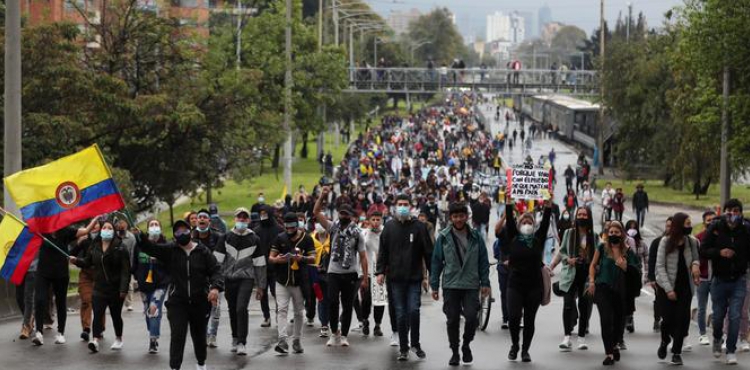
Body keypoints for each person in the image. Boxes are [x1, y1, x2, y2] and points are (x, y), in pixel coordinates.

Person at [137, 219, 223, 370]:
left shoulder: (202, 251)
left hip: (200, 302)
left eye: (184, 230)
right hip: (177, 303)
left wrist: (215, 288)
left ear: (190, 231)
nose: (181, 234)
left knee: (199, 337)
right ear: (174, 235)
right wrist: (141, 237)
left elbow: (216, 270)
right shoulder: (171, 250)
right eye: (177, 231)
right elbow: (151, 248)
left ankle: (201, 363)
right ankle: (175, 367)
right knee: (178, 335)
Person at [431, 202, 490, 366]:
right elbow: (436, 262)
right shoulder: (443, 237)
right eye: (455, 216)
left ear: (466, 216)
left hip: (471, 284)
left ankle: (466, 344)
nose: (458, 219)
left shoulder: (476, 236)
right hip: (451, 284)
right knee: (452, 320)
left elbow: (483, 261)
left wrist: (485, 282)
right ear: (450, 217)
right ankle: (455, 351)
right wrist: (434, 285)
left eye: (461, 216)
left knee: (472, 318)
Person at [376, 194, 433, 361]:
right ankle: (403, 348)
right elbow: (383, 251)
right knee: (400, 314)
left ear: (410, 206)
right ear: (395, 206)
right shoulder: (389, 227)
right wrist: (380, 272)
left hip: (414, 278)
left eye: (405, 204)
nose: (402, 207)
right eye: (400, 204)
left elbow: (428, 252)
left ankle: (415, 343)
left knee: (414, 310)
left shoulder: (419, 227)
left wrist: (433, 277)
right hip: (395, 279)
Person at [499, 193, 552, 363]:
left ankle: (525, 350)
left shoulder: (538, 238)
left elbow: (545, 222)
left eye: (530, 222)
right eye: (524, 222)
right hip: (515, 284)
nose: (527, 224)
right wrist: (509, 202)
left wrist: (548, 205)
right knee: (514, 318)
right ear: (519, 225)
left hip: (534, 286)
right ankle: (515, 344)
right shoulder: (514, 236)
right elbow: (509, 217)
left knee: (530, 320)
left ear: (534, 225)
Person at [313, 188, 369, 347]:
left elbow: (363, 257)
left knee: (347, 304)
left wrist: (365, 278)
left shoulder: (357, 233)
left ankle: (344, 335)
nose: (343, 216)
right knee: (332, 302)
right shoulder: (333, 227)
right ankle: (334, 333)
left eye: (346, 214)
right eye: (341, 213)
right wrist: (323, 196)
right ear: (338, 213)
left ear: (351, 216)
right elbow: (316, 211)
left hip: (350, 273)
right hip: (333, 272)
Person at [700, 199, 750, 365]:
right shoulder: (715, 228)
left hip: (739, 280)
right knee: (718, 316)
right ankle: (717, 338)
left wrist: (739, 258)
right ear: (724, 212)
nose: (732, 214)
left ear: (740, 213)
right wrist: (719, 252)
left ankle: (730, 350)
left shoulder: (746, 229)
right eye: (729, 210)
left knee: (735, 315)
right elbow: (704, 250)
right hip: (719, 280)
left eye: (736, 211)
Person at [69, 219, 131, 353]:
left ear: (114, 231)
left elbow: (125, 271)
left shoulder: (120, 247)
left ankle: (119, 338)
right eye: (104, 228)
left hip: (115, 289)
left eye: (109, 228)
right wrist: (76, 261)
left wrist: (123, 289)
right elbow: (87, 262)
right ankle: (95, 340)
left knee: (116, 315)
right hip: (99, 288)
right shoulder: (95, 245)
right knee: (97, 314)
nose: (106, 230)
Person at [214, 207, 266, 355]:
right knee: (232, 309)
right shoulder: (225, 237)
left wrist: (261, 286)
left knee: (241, 308)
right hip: (229, 278)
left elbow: (260, 263)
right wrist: (214, 283)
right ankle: (235, 338)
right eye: (239, 218)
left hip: (246, 278)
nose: (242, 220)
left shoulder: (254, 239)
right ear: (235, 219)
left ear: (248, 220)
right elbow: (216, 261)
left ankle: (242, 342)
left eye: (244, 218)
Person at [588, 221, 640, 365]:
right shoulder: (602, 247)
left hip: (621, 291)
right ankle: (609, 353)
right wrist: (592, 281)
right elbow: (593, 265)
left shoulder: (628, 251)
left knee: (618, 321)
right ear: (607, 234)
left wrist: (626, 267)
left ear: (622, 234)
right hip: (603, 288)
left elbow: (636, 271)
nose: (613, 235)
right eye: (611, 232)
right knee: (606, 320)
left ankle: (615, 344)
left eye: (616, 232)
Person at [32, 225, 89, 346]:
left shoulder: (66, 231)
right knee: (40, 300)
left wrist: (95, 220)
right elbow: (28, 225)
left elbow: (85, 231)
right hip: (43, 272)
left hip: (61, 273)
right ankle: (38, 333)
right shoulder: (42, 229)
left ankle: (60, 333)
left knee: (60, 302)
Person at [655, 212, 701, 365]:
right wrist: (668, 289)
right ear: (679, 225)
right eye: (687, 224)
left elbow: (696, 258)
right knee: (667, 320)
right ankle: (665, 339)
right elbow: (660, 267)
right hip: (666, 287)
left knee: (682, 321)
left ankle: (676, 352)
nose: (690, 227)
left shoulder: (692, 242)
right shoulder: (665, 242)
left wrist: (695, 268)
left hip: (685, 288)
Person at [269, 212, 316, 354]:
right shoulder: (280, 238)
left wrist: (301, 258)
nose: (289, 229)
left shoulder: (306, 239)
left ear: (297, 225)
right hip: (282, 280)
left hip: (300, 281)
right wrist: (278, 259)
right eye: (286, 226)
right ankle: (282, 340)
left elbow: (313, 258)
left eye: (292, 226)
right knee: (281, 310)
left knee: (298, 312)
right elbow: (271, 257)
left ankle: (297, 340)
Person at [550, 207, 595, 352]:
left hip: (586, 274)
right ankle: (567, 337)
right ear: (576, 217)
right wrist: (566, 260)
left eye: (584, 214)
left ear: (588, 217)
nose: (582, 216)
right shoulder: (569, 233)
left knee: (584, 306)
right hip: (570, 274)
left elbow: (598, 255)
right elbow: (562, 252)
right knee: (568, 305)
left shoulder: (593, 236)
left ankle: (581, 338)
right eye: (579, 214)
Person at [134, 219, 171, 354]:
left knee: (154, 309)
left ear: (160, 228)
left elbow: (170, 265)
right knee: (148, 312)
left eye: (157, 225)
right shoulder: (140, 245)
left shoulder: (166, 245)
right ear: (148, 228)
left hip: (160, 284)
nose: (154, 227)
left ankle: (153, 340)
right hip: (144, 284)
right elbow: (135, 263)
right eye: (152, 225)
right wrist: (136, 277)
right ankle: (152, 332)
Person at [194, 209, 224, 348]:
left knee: (215, 307)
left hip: (215, 277)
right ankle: (204, 334)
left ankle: (213, 335)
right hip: (197, 278)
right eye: (199, 217)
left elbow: (222, 258)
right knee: (200, 309)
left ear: (209, 221)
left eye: (205, 217)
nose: (202, 219)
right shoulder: (191, 237)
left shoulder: (218, 237)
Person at [354, 211, 385, 337]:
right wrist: (358, 272)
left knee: (379, 299)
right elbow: (359, 253)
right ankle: (365, 319)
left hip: (380, 272)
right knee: (366, 299)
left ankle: (378, 325)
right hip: (366, 272)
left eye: (378, 219)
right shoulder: (364, 233)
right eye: (373, 219)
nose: (376, 222)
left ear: (382, 220)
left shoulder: (386, 232)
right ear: (369, 220)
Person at [254, 205, 280, 328]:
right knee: (262, 293)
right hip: (261, 267)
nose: (263, 216)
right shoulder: (257, 230)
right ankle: (266, 317)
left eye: (265, 213)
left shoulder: (279, 229)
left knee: (277, 293)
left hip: (275, 267)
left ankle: (279, 315)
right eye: (261, 213)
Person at [695, 211, 717, 346]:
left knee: (718, 308)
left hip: (717, 278)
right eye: (708, 220)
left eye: (713, 220)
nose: (711, 223)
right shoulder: (698, 238)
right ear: (704, 222)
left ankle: (717, 334)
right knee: (702, 307)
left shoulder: (721, 237)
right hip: (702, 278)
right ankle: (702, 334)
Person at [648, 217, 673, 333]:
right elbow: (651, 260)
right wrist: (652, 278)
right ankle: (657, 319)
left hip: (674, 277)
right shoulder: (657, 242)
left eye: (672, 226)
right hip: (660, 277)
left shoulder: (682, 242)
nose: (670, 228)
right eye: (668, 226)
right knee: (659, 300)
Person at [312, 221, 332, 338]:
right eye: (318, 222)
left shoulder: (332, 237)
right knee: (321, 299)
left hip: (331, 273)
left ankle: (330, 321)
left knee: (331, 299)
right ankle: (324, 324)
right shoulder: (311, 239)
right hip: (316, 274)